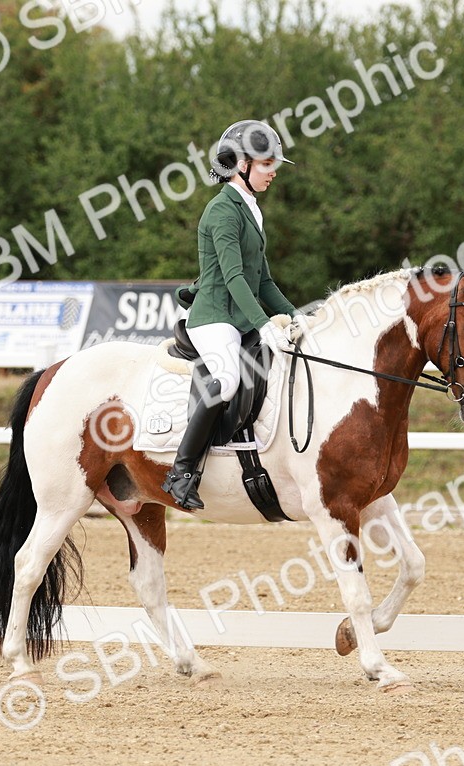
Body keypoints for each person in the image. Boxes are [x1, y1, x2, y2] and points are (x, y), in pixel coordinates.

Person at [162, 119, 310, 510]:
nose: (273, 171)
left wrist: (298, 316)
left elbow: (262, 281)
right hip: (213, 317)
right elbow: (232, 279)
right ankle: (181, 473)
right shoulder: (221, 211)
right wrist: (264, 325)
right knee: (227, 380)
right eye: (265, 164)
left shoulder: (252, 211)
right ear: (240, 164)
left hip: (240, 317)